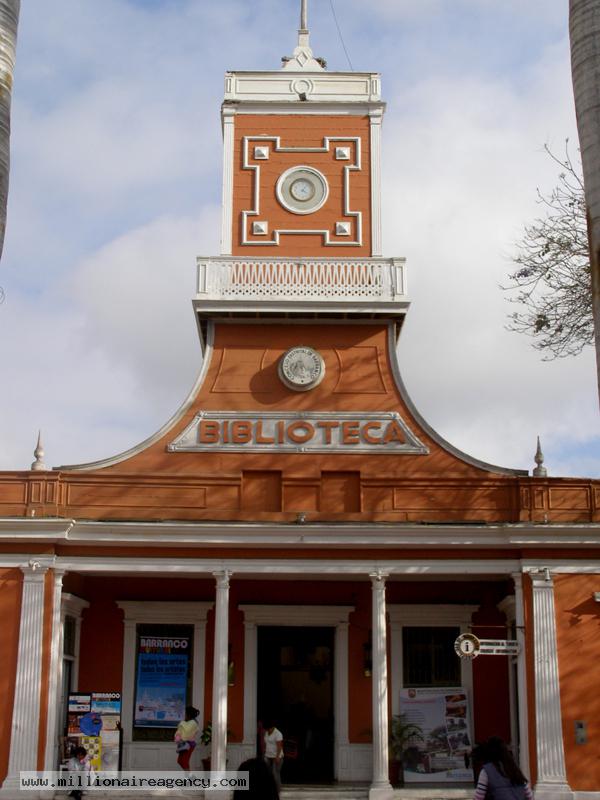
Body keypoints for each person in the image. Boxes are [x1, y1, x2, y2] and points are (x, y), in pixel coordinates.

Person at [174, 705, 199, 771]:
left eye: (185, 713)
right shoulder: (187, 722)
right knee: (180, 761)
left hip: (189, 745)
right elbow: (180, 731)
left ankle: (188, 778)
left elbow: (186, 733)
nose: (184, 715)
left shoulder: (193, 723)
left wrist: (182, 723)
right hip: (183, 744)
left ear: (189, 714)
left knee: (184, 762)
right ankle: (190, 777)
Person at [263, 720, 284, 791]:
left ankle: (278, 789)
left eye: (269, 729)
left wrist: (277, 757)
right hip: (268, 755)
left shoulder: (278, 734)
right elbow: (266, 744)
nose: (268, 730)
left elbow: (279, 747)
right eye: (266, 729)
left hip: (277, 756)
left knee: (275, 773)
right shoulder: (266, 732)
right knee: (266, 772)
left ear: (272, 727)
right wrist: (264, 753)